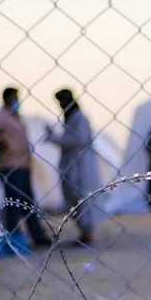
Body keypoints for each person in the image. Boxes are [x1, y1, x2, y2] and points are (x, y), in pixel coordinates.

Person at [0, 86, 51, 247]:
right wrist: (0, 140)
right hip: (10, 165)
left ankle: (38, 236)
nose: (17, 102)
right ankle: (12, 237)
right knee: (14, 203)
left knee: (28, 203)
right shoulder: (2, 117)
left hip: (23, 164)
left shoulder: (16, 117)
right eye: (14, 98)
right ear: (7, 99)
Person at [45, 88, 103, 245]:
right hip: (72, 166)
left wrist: (55, 138)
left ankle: (88, 234)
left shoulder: (79, 118)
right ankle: (84, 233)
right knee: (73, 199)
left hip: (81, 166)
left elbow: (78, 140)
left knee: (83, 199)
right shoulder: (71, 118)